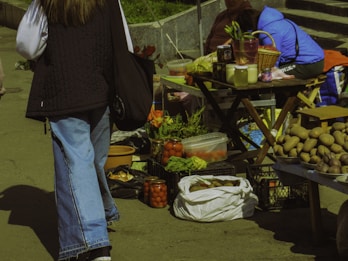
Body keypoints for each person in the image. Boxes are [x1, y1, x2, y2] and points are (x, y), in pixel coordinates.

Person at [16, 0, 126, 260]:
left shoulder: (47, 2)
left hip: (63, 91)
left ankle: (97, 244)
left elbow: (27, 46)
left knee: (78, 163)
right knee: (93, 161)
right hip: (101, 89)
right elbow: (123, 40)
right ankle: (100, 216)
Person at [236, 6, 325, 79]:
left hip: (309, 63)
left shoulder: (269, 31)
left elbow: (272, 60)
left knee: (266, 75)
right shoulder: (275, 21)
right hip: (312, 59)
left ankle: (281, 100)